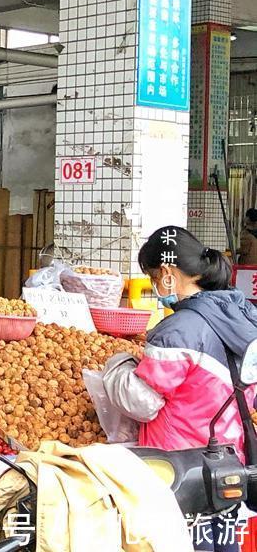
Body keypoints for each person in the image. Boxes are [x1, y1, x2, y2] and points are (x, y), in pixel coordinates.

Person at [103, 226, 257, 552]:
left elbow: (141, 401)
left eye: (152, 278)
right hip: (230, 464)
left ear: (168, 273)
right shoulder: (244, 314)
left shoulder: (177, 331)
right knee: (224, 543)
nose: (154, 289)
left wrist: (119, 365)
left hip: (180, 469)